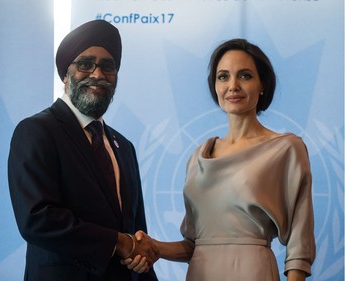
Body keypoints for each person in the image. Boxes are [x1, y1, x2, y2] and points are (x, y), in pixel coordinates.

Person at [124, 38, 316, 281]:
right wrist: (154, 247)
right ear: (214, 85)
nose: (233, 85)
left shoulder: (286, 148)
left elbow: (300, 242)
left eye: (245, 76)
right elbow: (194, 245)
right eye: (223, 76)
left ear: (262, 85)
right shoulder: (197, 156)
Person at [8, 19, 159, 281]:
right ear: (65, 74)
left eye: (108, 66)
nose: (98, 75)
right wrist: (118, 243)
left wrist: (139, 258)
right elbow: (37, 219)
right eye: (85, 64)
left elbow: (136, 234)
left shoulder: (124, 147)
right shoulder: (37, 131)